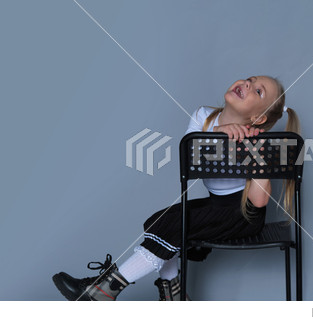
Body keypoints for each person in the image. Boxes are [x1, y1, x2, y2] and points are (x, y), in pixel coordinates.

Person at [52, 75, 300, 301]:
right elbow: (189, 159)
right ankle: (172, 292)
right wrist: (216, 133)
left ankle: (104, 291)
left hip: (243, 215)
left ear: (258, 118)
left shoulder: (256, 139)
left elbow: (258, 202)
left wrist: (259, 156)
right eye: (249, 79)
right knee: (158, 220)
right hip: (218, 204)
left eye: (258, 91)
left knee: (171, 226)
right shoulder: (204, 117)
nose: (247, 84)